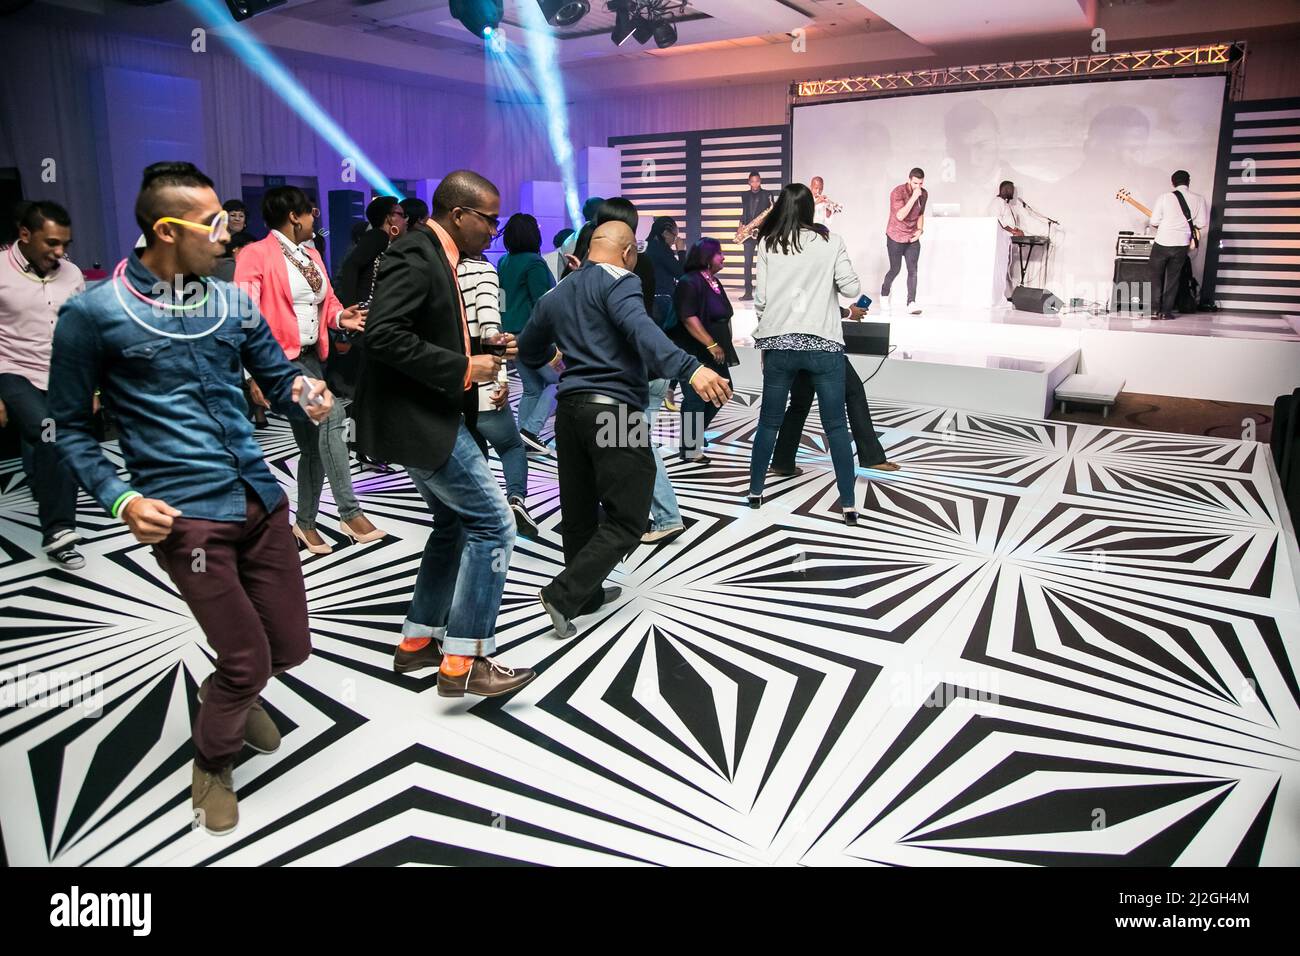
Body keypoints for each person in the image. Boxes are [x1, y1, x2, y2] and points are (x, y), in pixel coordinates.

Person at [48, 161, 335, 835]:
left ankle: (231, 693)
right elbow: (67, 427)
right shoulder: (93, 314)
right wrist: (120, 499)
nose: (228, 233)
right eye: (214, 224)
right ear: (168, 230)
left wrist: (307, 392)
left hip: (261, 500)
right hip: (187, 520)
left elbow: (278, 372)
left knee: (288, 648)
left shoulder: (231, 302)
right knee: (246, 660)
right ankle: (212, 761)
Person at [353, 170, 536, 698]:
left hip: (424, 413)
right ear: (459, 214)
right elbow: (384, 337)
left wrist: (485, 344)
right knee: (494, 525)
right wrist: (463, 367)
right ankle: (466, 660)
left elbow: (424, 328)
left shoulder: (439, 256)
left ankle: (417, 643)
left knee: (454, 527)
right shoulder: (416, 253)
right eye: (490, 221)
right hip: (420, 418)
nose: (493, 232)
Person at [518, 221, 731, 639]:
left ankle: (587, 595)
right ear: (629, 252)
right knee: (630, 516)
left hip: (570, 412)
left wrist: (552, 355)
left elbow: (528, 347)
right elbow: (641, 328)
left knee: (578, 513)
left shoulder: (556, 291)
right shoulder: (622, 280)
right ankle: (563, 594)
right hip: (618, 412)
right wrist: (690, 368)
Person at [234, 185, 384, 554]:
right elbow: (243, 317)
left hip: (311, 361)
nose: (315, 216)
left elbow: (326, 301)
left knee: (314, 448)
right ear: (293, 216)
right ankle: (350, 512)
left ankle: (304, 525)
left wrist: (340, 317)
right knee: (331, 414)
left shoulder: (310, 253)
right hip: (278, 365)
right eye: (310, 212)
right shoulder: (256, 255)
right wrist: (251, 375)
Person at [748, 183, 862, 523]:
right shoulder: (831, 242)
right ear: (811, 208)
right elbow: (852, 288)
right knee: (837, 427)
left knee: (768, 422)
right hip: (824, 345)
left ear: (780, 207)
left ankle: (755, 492)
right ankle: (849, 504)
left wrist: (768, 335)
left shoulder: (768, 243)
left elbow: (761, 300)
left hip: (780, 344)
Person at [0, 200, 86, 569]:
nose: (60, 252)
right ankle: (59, 531)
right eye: (51, 243)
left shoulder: (72, 274)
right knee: (51, 435)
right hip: (13, 371)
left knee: (47, 447)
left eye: (65, 243)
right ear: (24, 235)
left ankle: (46, 493)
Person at [457, 251, 542, 538]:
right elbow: (491, 330)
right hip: (481, 384)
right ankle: (515, 501)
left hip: (450, 386)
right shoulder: (483, 271)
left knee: (475, 451)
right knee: (511, 447)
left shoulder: (442, 270)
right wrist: (500, 377)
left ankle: (478, 512)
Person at [769, 301, 901, 477]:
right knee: (854, 394)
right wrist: (848, 312)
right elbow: (818, 306)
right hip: (823, 349)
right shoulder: (814, 275)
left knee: (798, 405)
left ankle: (782, 462)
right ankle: (872, 457)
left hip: (795, 347)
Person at [497, 212, 558, 454]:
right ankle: (530, 430)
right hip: (532, 335)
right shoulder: (535, 262)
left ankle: (523, 438)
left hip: (510, 334)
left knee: (532, 387)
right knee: (561, 382)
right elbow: (542, 304)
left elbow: (502, 300)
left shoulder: (504, 261)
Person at [672, 238, 735, 464]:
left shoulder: (713, 281)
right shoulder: (689, 282)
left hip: (715, 350)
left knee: (724, 389)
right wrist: (710, 343)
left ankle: (694, 437)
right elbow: (688, 318)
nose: (723, 258)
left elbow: (725, 314)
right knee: (696, 398)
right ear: (708, 257)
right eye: (720, 254)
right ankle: (690, 448)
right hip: (695, 350)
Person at [1147, 170, 1208, 320]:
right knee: (1173, 279)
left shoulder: (1164, 197)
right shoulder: (1199, 199)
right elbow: (1201, 223)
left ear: (1172, 182)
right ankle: (1166, 312)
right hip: (1181, 244)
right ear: (1188, 181)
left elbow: (1154, 221)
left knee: (1156, 277)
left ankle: (1154, 310)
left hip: (1162, 242)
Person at [336, 195, 407, 308]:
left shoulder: (383, 239)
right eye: (402, 215)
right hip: (368, 311)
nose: (405, 220)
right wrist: (351, 307)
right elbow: (351, 265)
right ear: (389, 218)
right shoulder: (379, 236)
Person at [988, 181, 1047, 298]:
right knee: (998, 270)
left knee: (1006, 269)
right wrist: (1014, 231)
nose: (1013, 192)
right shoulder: (997, 202)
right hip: (998, 241)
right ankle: (998, 297)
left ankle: (1006, 295)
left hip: (1007, 241)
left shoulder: (1006, 204)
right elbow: (998, 220)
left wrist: (1021, 231)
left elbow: (1009, 223)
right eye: (1011, 189)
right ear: (1004, 189)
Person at [880, 167, 926, 316]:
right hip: (895, 236)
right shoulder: (897, 192)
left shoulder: (923, 194)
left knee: (913, 270)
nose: (918, 187)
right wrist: (913, 197)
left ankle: (911, 302)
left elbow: (920, 214)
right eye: (915, 183)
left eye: (920, 183)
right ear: (909, 180)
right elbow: (900, 215)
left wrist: (920, 230)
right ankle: (884, 294)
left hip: (912, 237)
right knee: (895, 269)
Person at [738, 171, 774, 300]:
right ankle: (748, 292)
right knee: (747, 264)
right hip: (748, 233)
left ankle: (765, 292)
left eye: (757, 180)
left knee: (764, 262)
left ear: (760, 181)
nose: (755, 183)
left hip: (762, 232)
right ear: (749, 182)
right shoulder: (744, 195)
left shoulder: (768, 194)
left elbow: (771, 214)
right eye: (752, 181)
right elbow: (744, 212)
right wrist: (740, 228)